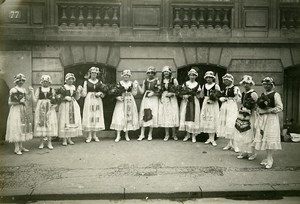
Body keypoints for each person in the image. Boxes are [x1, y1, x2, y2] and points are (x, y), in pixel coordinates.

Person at [253, 77, 283, 169]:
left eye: (268, 84)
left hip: (271, 118)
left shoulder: (275, 94)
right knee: (264, 137)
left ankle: (270, 159)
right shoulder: (263, 94)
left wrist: (267, 111)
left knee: (269, 137)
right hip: (263, 118)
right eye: (264, 84)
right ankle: (267, 157)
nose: (266, 86)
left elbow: (280, 107)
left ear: (272, 85)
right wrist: (258, 110)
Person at [5, 73, 34, 155]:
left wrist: (30, 92)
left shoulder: (24, 90)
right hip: (16, 110)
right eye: (19, 80)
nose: (21, 82)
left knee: (22, 126)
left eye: (22, 80)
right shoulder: (13, 90)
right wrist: (18, 102)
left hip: (23, 109)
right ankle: (16, 147)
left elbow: (27, 99)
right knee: (17, 127)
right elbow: (10, 102)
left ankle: (21, 146)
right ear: (16, 81)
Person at [110, 69, 139, 142]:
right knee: (120, 116)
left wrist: (135, 87)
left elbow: (134, 93)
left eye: (127, 75)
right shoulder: (119, 83)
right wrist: (117, 97)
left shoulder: (131, 83)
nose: (126, 76)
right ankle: (118, 135)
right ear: (122, 76)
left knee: (128, 116)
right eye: (125, 75)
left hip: (129, 101)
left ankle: (126, 134)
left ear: (129, 76)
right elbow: (114, 92)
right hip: (121, 102)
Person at [235, 75, 258, 160]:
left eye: (247, 83)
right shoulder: (244, 93)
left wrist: (250, 110)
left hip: (250, 115)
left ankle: (252, 153)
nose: (245, 85)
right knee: (242, 131)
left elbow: (256, 105)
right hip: (243, 115)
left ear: (251, 84)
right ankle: (244, 151)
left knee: (250, 132)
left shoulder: (253, 93)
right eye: (244, 83)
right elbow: (241, 103)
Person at [217, 73, 241, 152]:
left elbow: (238, 99)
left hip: (231, 106)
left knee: (232, 123)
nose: (226, 82)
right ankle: (229, 143)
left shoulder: (235, 88)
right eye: (225, 80)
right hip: (225, 106)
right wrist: (222, 98)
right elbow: (221, 95)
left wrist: (235, 96)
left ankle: (235, 144)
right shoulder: (225, 88)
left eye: (227, 80)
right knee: (226, 123)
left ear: (231, 80)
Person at [57, 73, 83, 146]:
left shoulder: (74, 87)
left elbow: (77, 98)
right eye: (69, 79)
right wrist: (64, 97)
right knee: (65, 120)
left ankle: (70, 138)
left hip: (73, 104)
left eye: (72, 79)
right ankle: (64, 139)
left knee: (72, 120)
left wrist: (78, 92)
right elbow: (58, 96)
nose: (70, 81)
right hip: (65, 105)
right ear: (66, 80)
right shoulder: (63, 87)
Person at [33, 75, 58, 149]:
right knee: (41, 124)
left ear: (49, 82)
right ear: (41, 82)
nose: (45, 83)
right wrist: (31, 93)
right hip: (41, 109)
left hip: (49, 109)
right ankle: (41, 142)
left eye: (46, 81)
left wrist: (54, 106)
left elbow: (55, 100)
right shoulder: (38, 89)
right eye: (44, 81)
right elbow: (35, 100)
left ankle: (49, 142)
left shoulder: (52, 90)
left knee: (49, 123)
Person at [81, 67, 105, 143]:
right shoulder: (86, 82)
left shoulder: (100, 82)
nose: (93, 75)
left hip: (97, 100)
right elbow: (84, 94)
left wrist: (100, 93)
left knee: (96, 115)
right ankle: (89, 135)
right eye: (92, 73)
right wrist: (81, 90)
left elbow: (103, 92)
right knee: (89, 115)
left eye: (95, 73)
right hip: (89, 99)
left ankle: (94, 135)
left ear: (97, 74)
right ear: (90, 74)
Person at [137, 67, 160, 141]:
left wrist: (153, 93)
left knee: (152, 114)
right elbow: (142, 91)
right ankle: (142, 134)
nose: (150, 74)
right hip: (146, 98)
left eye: (152, 73)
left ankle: (150, 134)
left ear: (154, 74)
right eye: (149, 73)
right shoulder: (145, 81)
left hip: (153, 99)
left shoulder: (157, 81)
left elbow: (159, 91)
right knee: (145, 114)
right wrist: (137, 85)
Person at [179, 68, 202, 143]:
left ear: (196, 76)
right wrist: (184, 96)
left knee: (194, 116)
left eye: (194, 75)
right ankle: (187, 134)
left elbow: (199, 95)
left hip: (194, 101)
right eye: (191, 75)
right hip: (186, 101)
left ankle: (193, 135)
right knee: (185, 115)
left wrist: (198, 94)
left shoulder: (198, 85)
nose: (192, 77)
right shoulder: (185, 83)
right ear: (189, 76)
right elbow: (181, 92)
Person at [199, 71, 220, 146]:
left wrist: (213, 99)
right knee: (207, 119)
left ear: (213, 78)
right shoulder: (204, 86)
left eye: (210, 78)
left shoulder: (216, 86)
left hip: (213, 103)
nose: (208, 79)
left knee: (213, 118)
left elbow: (218, 95)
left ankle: (213, 138)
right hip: (206, 102)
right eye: (207, 77)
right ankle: (209, 137)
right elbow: (201, 95)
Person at [158, 66, 179, 141]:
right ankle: (167, 134)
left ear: (170, 73)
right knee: (165, 115)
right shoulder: (161, 81)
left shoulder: (174, 80)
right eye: (164, 72)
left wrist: (172, 93)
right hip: (164, 98)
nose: (166, 73)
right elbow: (160, 90)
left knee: (172, 114)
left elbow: (178, 90)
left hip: (172, 99)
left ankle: (174, 134)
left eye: (167, 72)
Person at [0, 68, 9, 144]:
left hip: (2, 106)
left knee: (2, 122)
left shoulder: (2, 82)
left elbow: (7, 93)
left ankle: (1, 139)